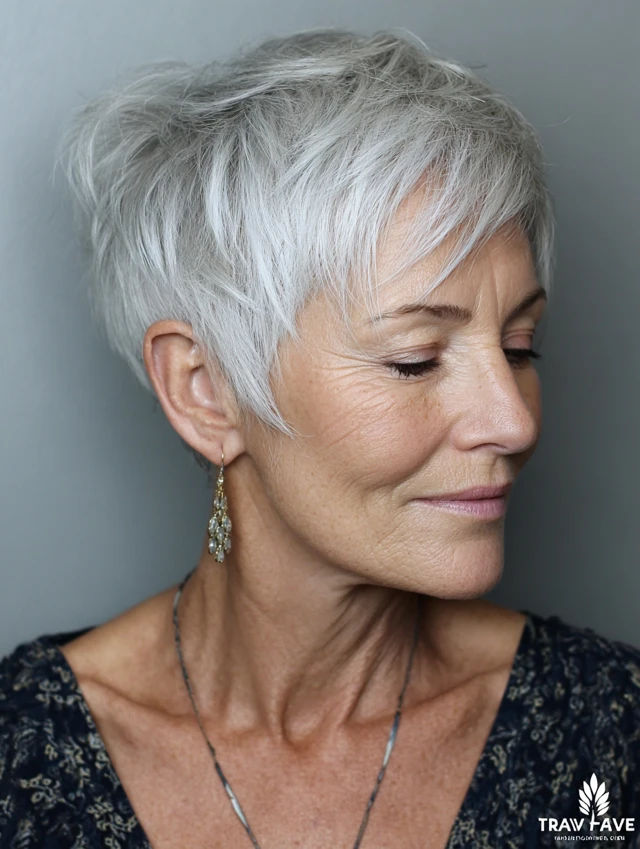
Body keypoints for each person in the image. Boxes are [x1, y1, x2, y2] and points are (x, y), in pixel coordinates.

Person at [1, 27, 638, 849]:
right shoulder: (19, 758)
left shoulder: (610, 733)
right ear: (205, 391)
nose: (513, 420)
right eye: (415, 359)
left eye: (520, 347)